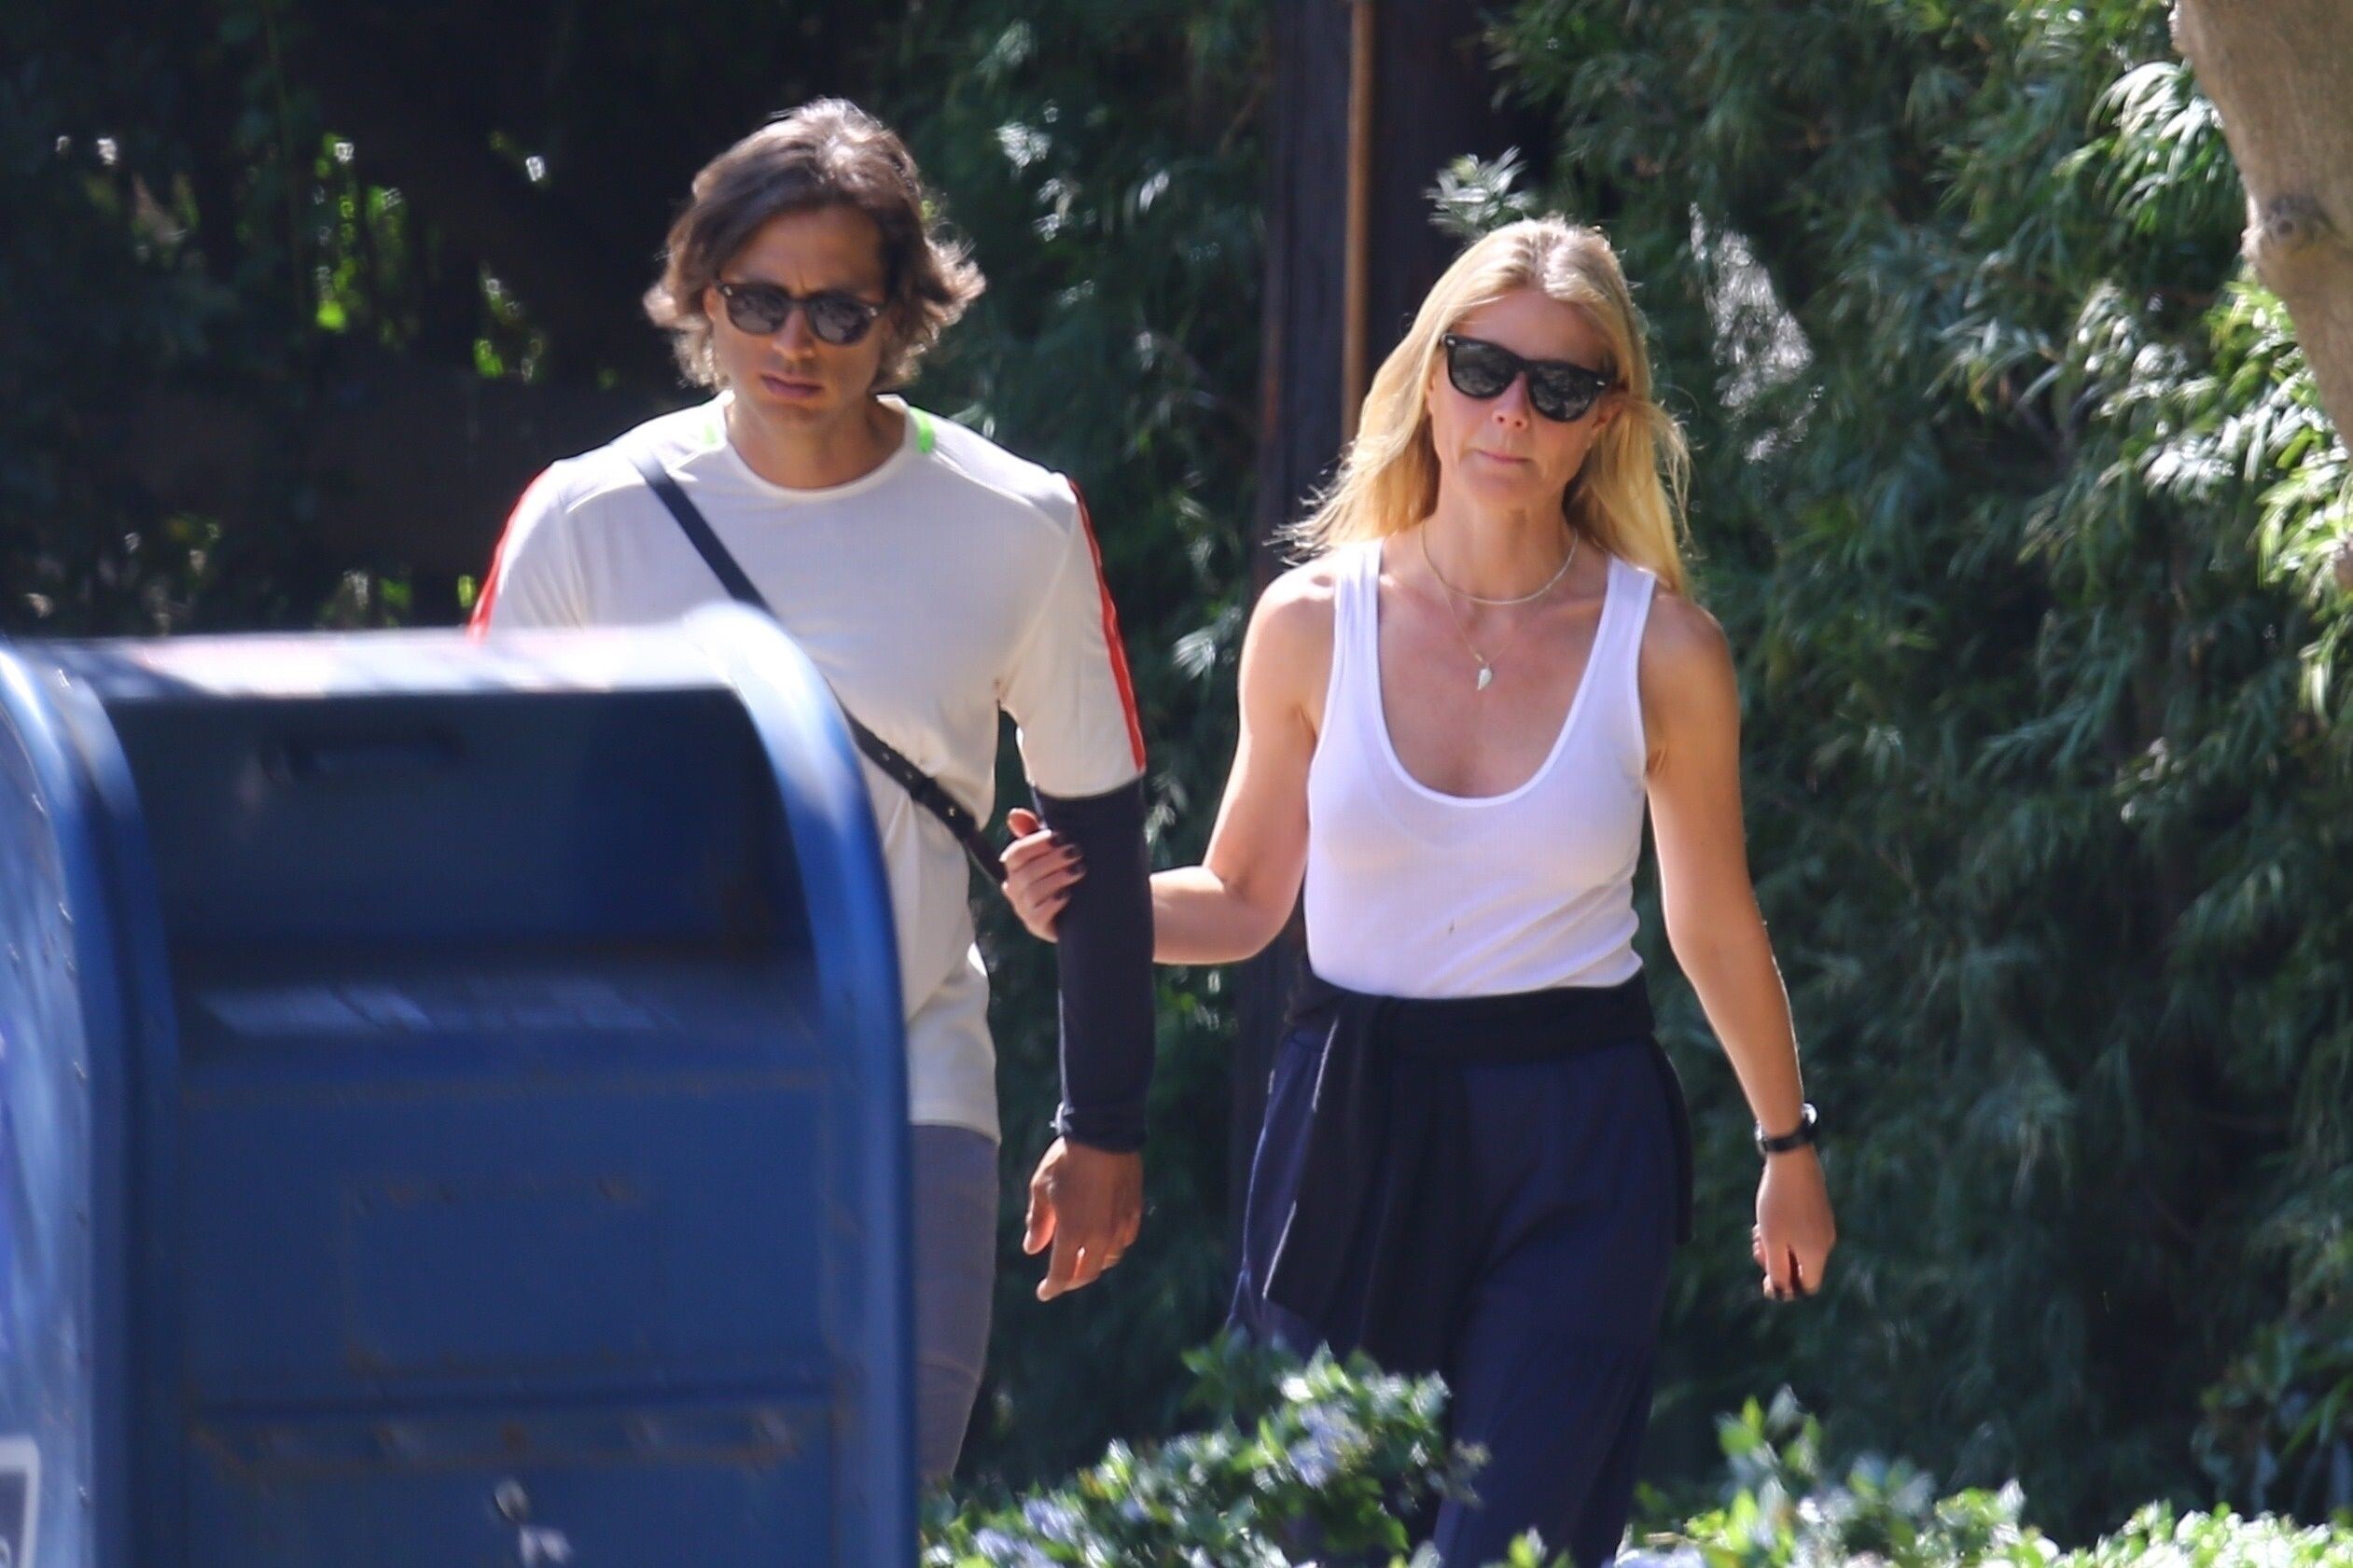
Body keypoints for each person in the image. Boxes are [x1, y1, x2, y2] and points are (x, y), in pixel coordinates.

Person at [1001, 217, 1837, 1564]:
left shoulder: (1665, 650)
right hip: (1352, 1121)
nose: (1511, 412)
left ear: (1604, 420)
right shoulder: (1309, 622)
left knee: (1502, 1548)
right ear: (1429, 379)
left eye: (1557, 388)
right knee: (1319, 1536)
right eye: (1482, 369)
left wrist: (1785, 1146)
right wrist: (1096, 911)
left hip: (1577, 1137)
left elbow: (1711, 921)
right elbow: (1244, 896)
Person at [470, 99, 1157, 1485]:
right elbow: (483, 835)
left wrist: (1103, 1125)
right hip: (646, 1097)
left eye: (839, 310)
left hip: (909, 1081)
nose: (795, 342)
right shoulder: (585, 518)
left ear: (900, 313)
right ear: (703, 294)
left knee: (883, 1507)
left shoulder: (1014, 521)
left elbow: (1099, 839)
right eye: (759, 302)